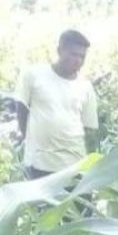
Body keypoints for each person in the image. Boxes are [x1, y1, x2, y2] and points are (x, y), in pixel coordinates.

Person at [13, 30, 99, 179]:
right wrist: (30, 140)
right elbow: (21, 109)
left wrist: (90, 167)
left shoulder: (85, 87)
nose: (78, 60)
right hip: (39, 164)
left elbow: (89, 129)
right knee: (40, 203)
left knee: (78, 202)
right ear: (59, 51)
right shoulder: (33, 75)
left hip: (75, 165)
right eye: (73, 54)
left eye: (82, 56)